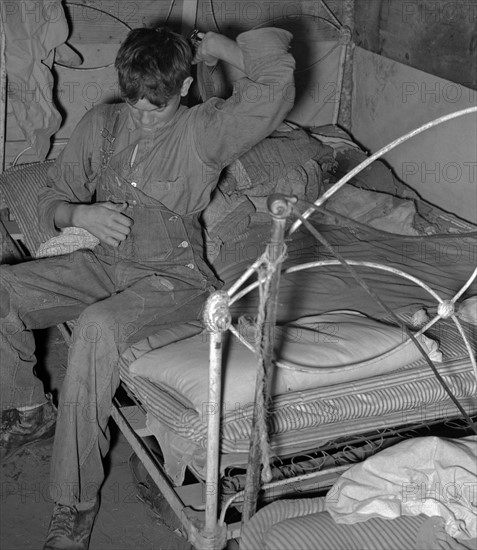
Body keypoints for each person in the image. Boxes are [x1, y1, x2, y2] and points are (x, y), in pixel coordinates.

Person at [0, 25, 295, 549]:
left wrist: (216, 48)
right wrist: (79, 213)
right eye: (133, 102)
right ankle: (30, 409)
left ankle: (74, 503)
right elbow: (53, 195)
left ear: (183, 89)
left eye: (153, 107)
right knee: (3, 289)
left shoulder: (206, 130)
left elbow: (274, 84)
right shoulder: (104, 123)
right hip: (106, 262)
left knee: (95, 329)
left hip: (172, 278)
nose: (140, 115)